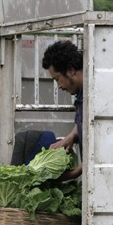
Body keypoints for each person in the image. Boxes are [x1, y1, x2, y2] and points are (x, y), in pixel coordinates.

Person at [42, 40, 83, 180]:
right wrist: (71, 136)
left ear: (71, 70)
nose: (59, 86)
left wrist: (76, 172)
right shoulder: (81, 95)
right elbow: (83, 123)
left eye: (57, 79)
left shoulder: (95, 96)